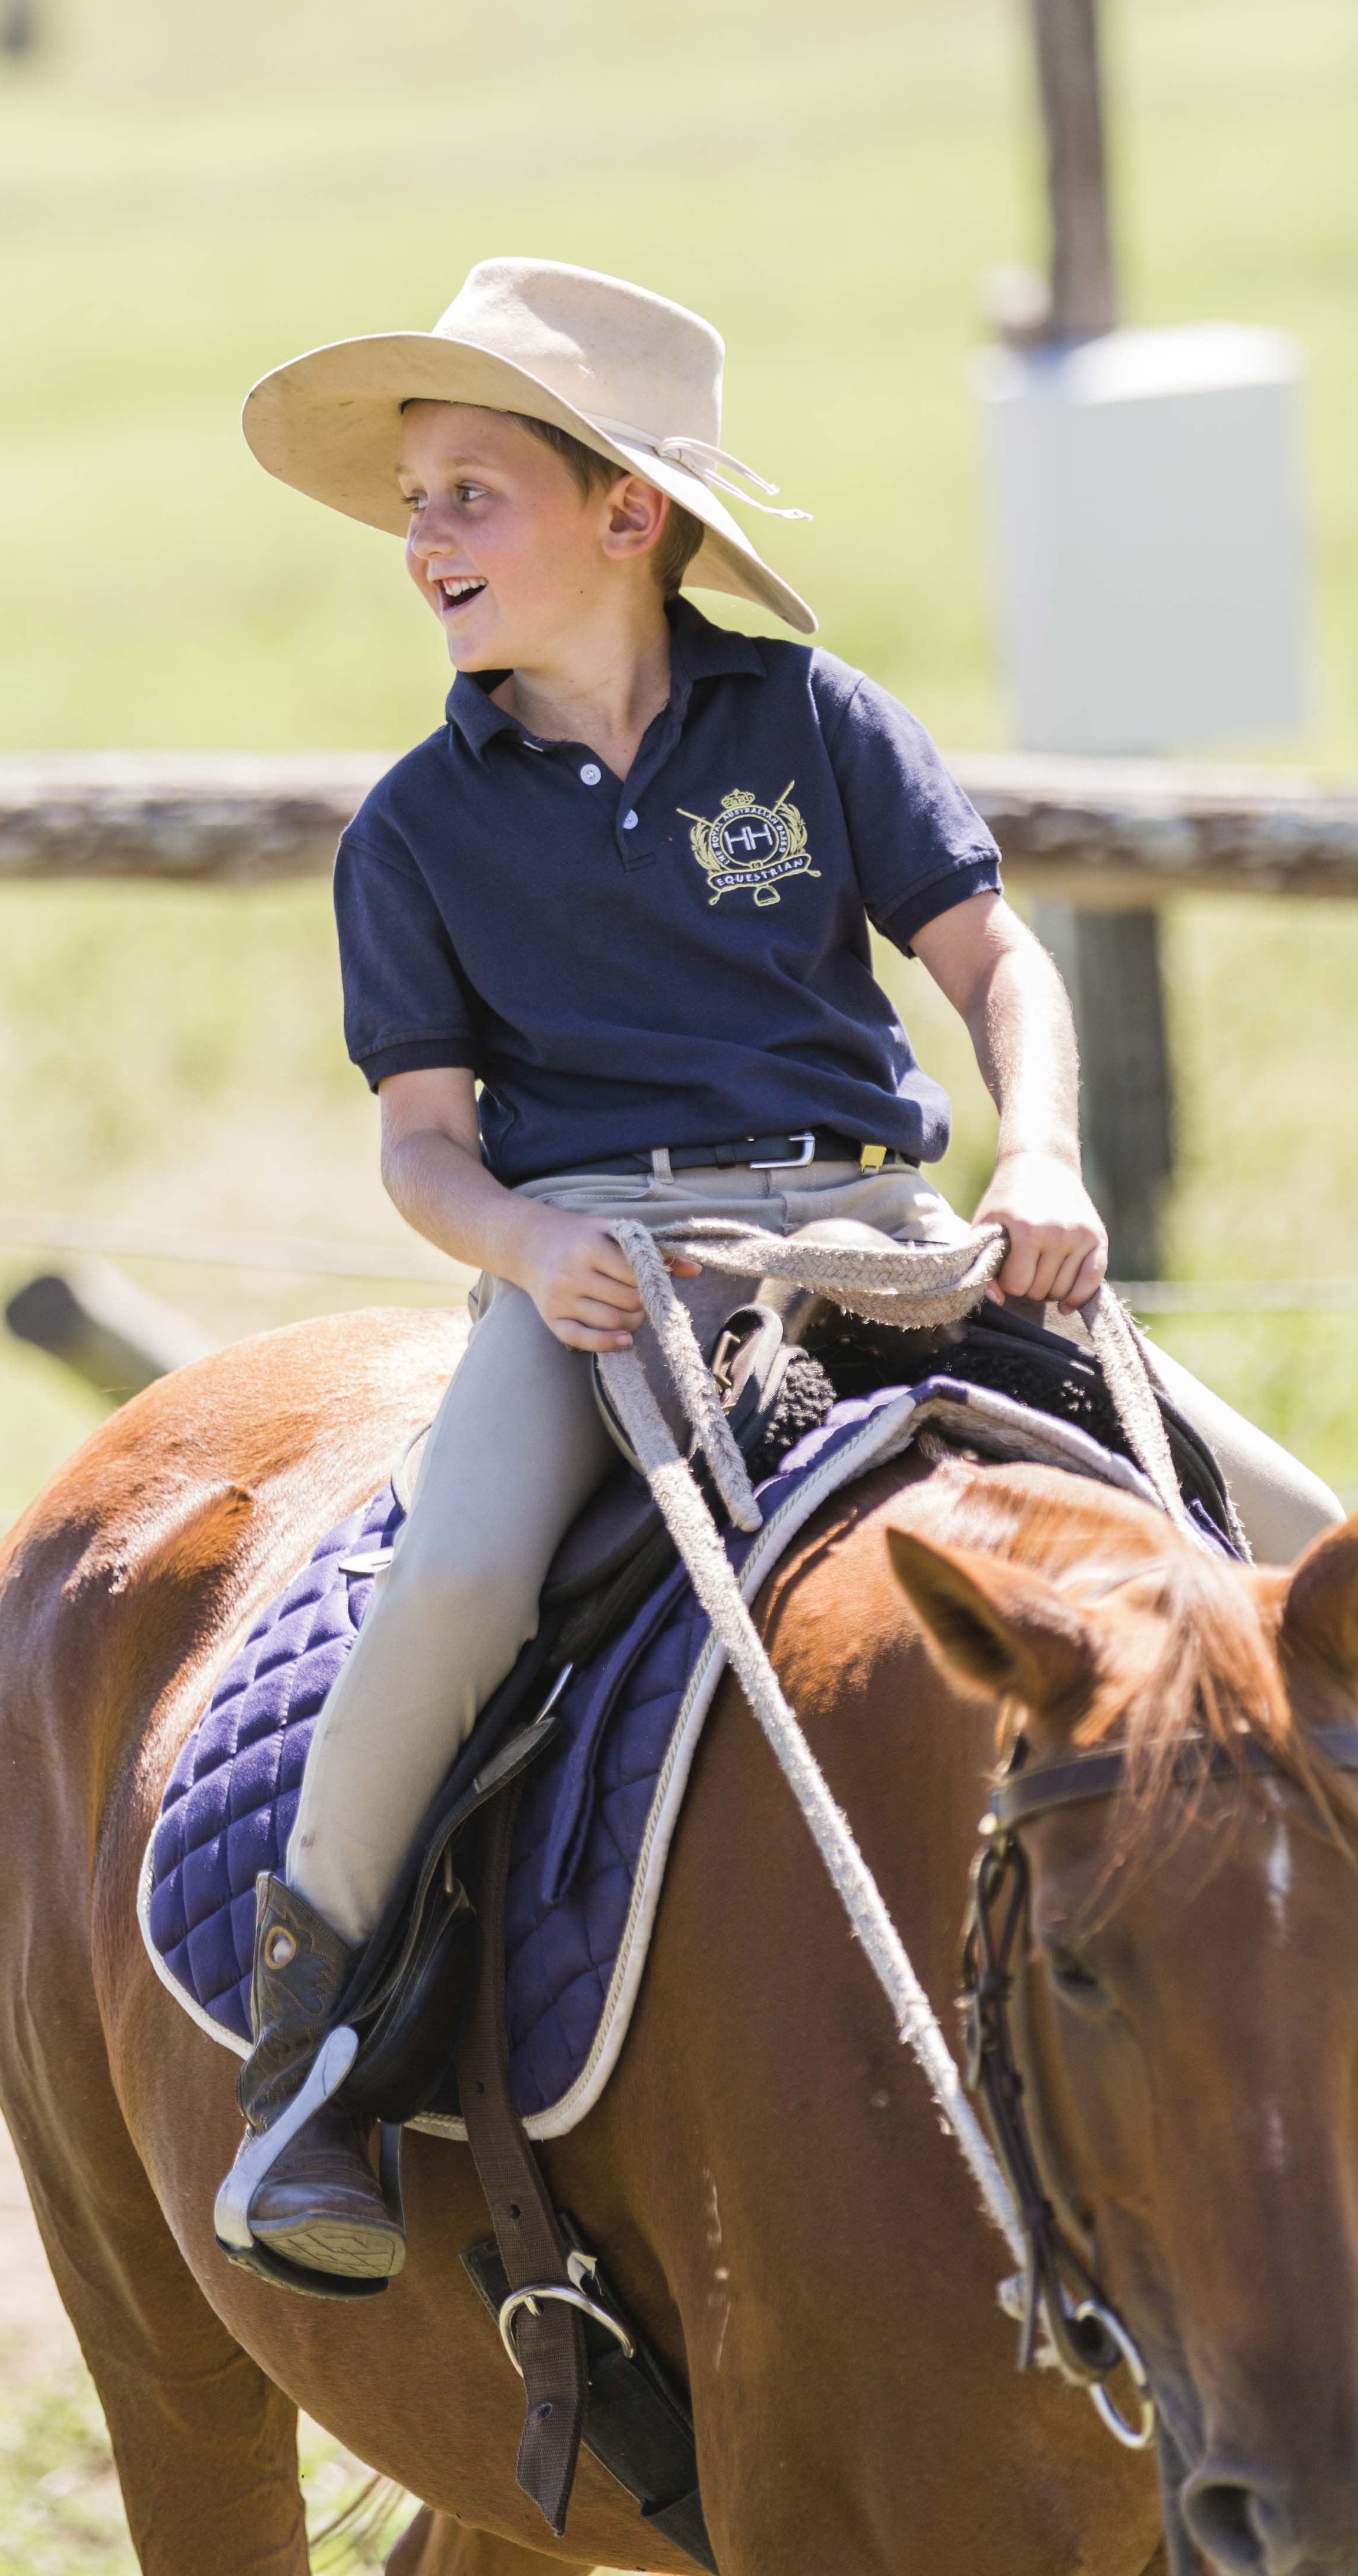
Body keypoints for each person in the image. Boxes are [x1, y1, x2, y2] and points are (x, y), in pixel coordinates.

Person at [219, 256, 1343, 2289]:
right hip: (611, 1279)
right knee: (463, 1582)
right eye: (412, 505)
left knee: (1306, 1536)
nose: (422, 542)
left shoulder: (815, 724)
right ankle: (314, 2063)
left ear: (625, 515)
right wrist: (529, 1241)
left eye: (469, 492)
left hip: (889, 1240)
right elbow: (420, 1144)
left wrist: (1053, 1152)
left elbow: (993, 962)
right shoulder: (416, 827)